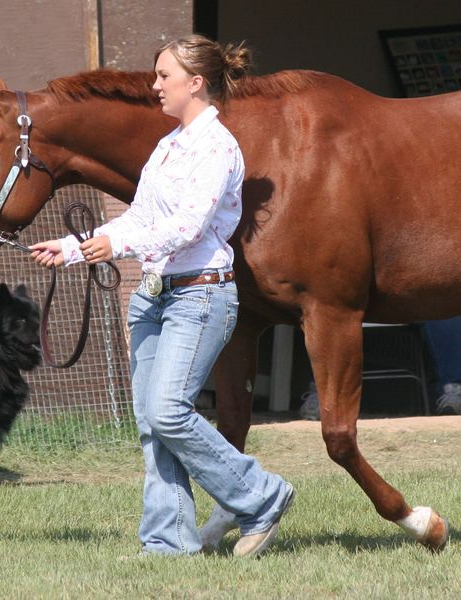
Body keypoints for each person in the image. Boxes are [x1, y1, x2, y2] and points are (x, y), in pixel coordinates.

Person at [30, 34, 295, 557]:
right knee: (153, 424)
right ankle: (168, 541)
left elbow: (188, 228)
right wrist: (74, 245)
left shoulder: (218, 148)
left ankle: (260, 496)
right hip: (152, 296)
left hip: (199, 297)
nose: (155, 86)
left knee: (169, 411)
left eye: (164, 76)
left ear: (195, 83)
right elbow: (141, 217)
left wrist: (111, 245)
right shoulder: (168, 145)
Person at [299, 317, 461, 420]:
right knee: (327, 310)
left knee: (447, 309)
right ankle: (323, 395)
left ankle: (453, 389)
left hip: (411, 294)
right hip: (360, 295)